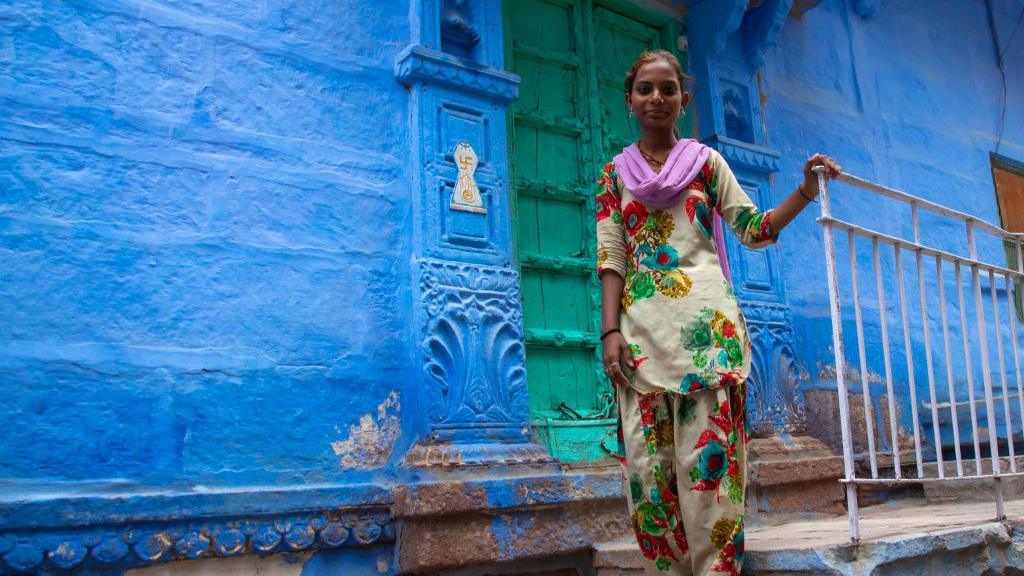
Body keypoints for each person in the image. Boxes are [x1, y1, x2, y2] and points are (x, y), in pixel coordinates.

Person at [596, 49, 840, 576]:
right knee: (649, 479)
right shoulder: (612, 176)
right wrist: (609, 330)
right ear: (629, 99)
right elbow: (611, 255)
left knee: (710, 473)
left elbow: (754, 229)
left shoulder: (707, 163)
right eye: (645, 89)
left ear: (684, 99)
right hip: (640, 341)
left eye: (667, 89)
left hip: (710, 338)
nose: (656, 98)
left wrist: (804, 190)